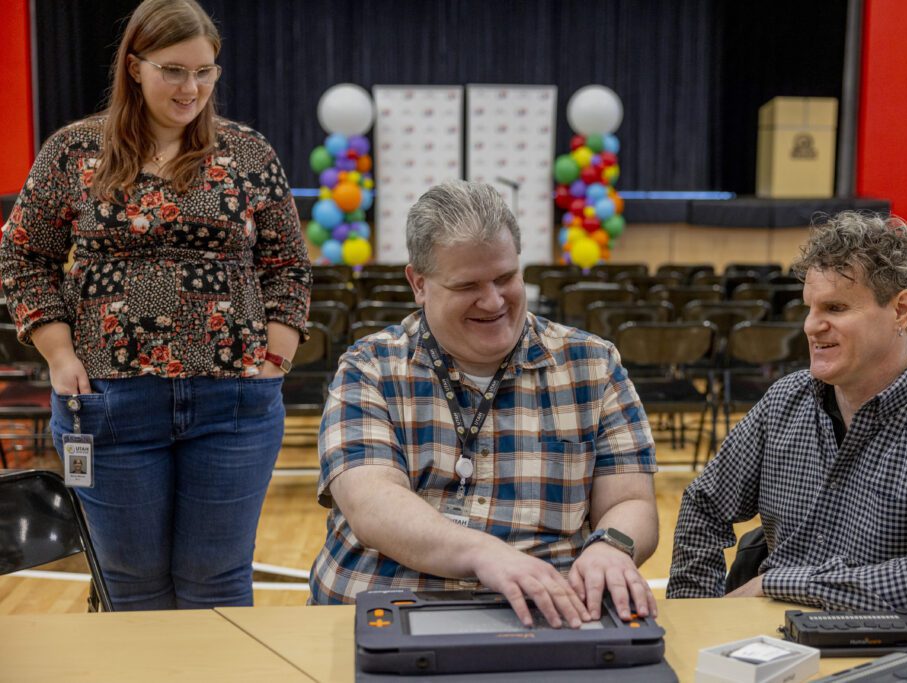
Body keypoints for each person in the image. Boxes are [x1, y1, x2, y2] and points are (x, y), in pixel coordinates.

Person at [0, 0, 311, 610]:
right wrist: (60, 356)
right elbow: (21, 259)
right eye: (174, 70)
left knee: (218, 586)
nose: (191, 87)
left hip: (234, 404)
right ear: (134, 66)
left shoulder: (247, 154)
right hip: (109, 405)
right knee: (129, 588)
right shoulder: (73, 151)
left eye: (205, 71)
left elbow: (288, 265)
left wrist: (275, 359)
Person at [309, 180, 658, 628]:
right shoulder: (369, 368)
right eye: (468, 284)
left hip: (546, 613)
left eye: (506, 278)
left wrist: (612, 545)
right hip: (386, 605)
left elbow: (632, 501)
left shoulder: (593, 363)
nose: (494, 301)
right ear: (418, 283)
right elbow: (372, 505)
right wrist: (485, 554)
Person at [667, 211, 907, 628]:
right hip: (769, 647)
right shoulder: (785, 401)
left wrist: (779, 584)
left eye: (836, 307)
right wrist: (696, 616)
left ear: (900, 310)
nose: (812, 325)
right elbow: (704, 506)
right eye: (810, 307)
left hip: (885, 658)